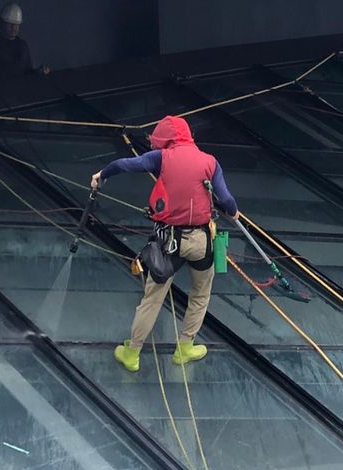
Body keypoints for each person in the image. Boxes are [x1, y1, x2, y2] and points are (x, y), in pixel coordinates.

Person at [90, 115, 239, 372]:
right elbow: (226, 200)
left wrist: (101, 174)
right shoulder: (210, 162)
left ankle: (132, 352)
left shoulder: (161, 157)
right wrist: (233, 213)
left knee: (152, 298)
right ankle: (185, 348)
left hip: (169, 242)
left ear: (165, 138)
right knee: (200, 294)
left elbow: (124, 164)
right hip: (202, 242)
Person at [0, 3, 50, 84]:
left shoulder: (22, 45)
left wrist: (39, 72)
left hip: (19, 89)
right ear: (1, 23)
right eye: (10, 24)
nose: (13, 27)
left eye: (16, 25)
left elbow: (27, 72)